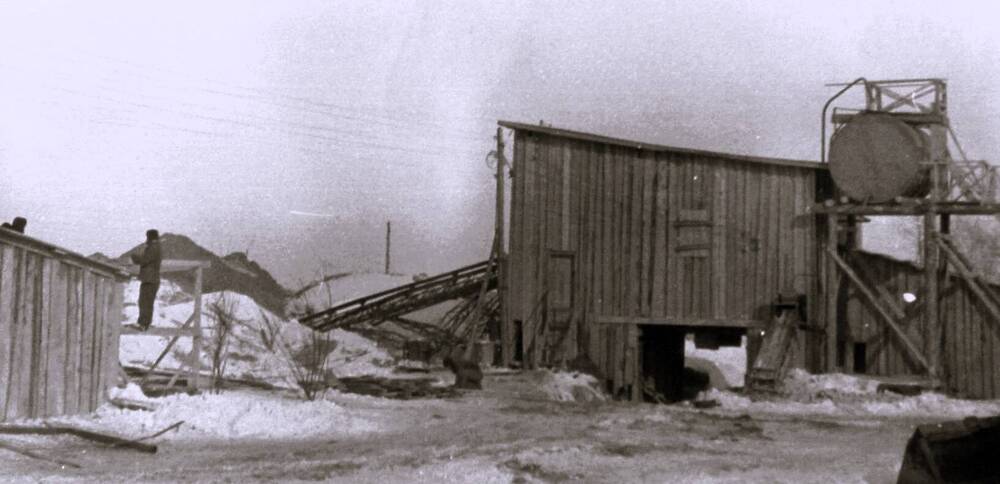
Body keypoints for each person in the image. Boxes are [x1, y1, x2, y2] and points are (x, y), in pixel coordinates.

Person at [131, 229, 162, 331]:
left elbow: (144, 260)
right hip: (151, 279)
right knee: (146, 302)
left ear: (150, 237)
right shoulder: (156, 247)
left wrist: (134, 257)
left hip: (150, 279)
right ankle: (144, 323)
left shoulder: (153, 248)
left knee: (145, 302)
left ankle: (143, 324)